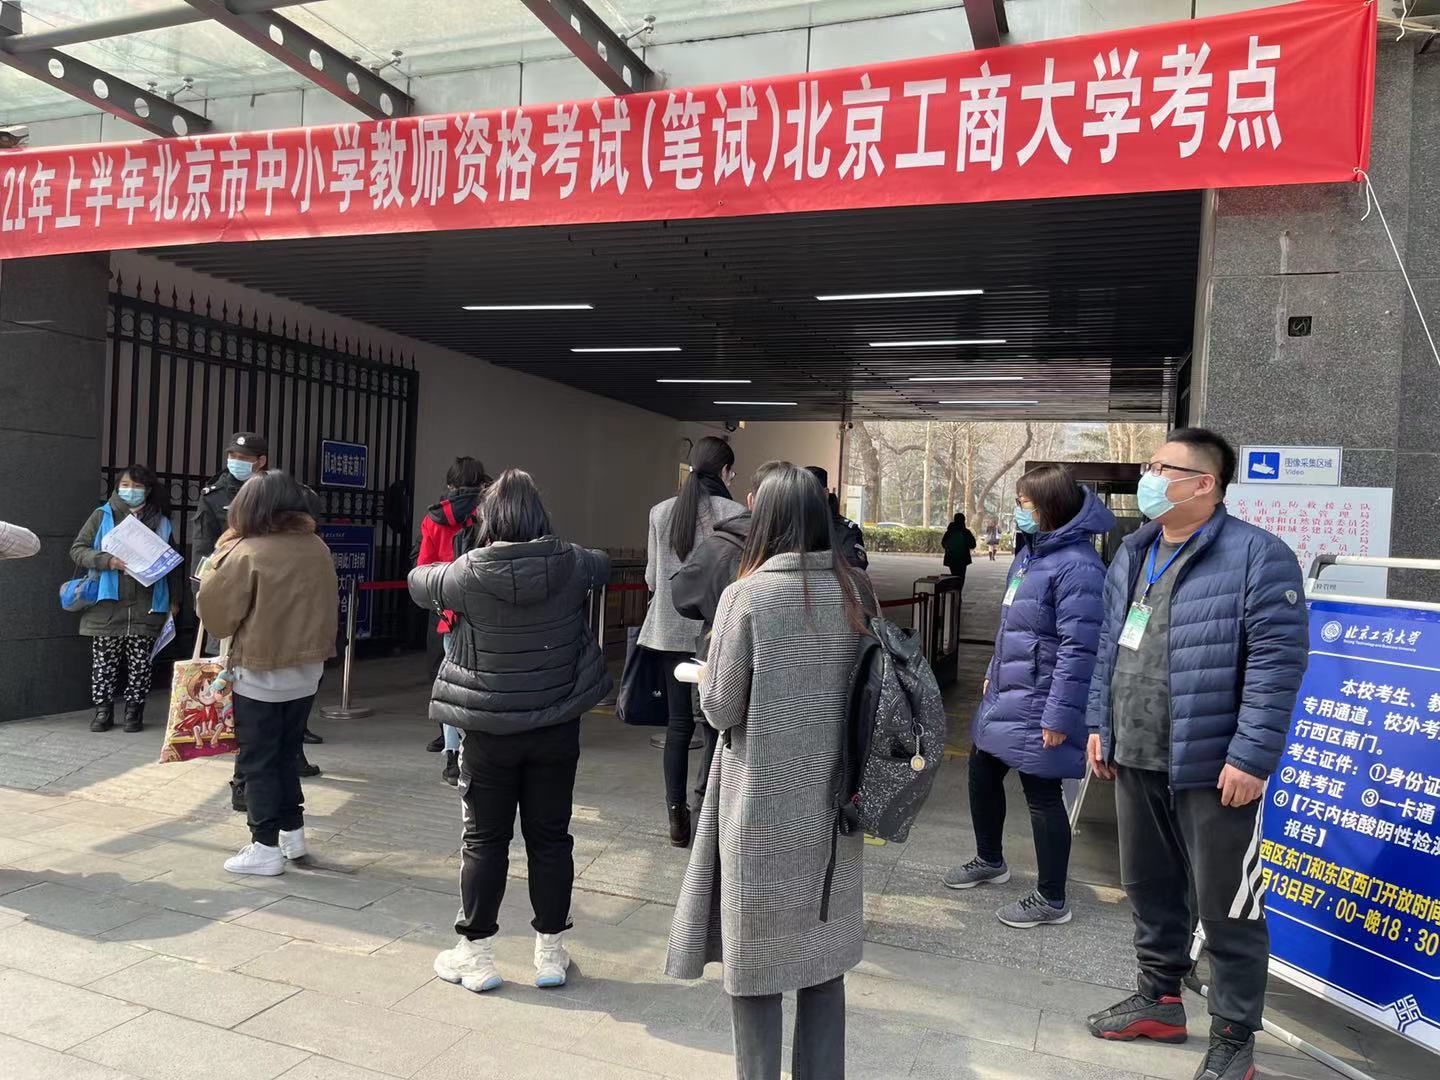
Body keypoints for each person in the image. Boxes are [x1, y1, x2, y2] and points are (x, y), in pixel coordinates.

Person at [1083, 428, 1307, 1080]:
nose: (1148, 479)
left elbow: (1277, 665)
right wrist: (1102, 724)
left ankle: (1234, 1038)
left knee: (1227, 906)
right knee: (1150, 887)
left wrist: (1252, 756)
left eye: (1162, 468)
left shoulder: (1258, 556)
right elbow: (1110, 646)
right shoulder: (1135, 550)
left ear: (1204, 483)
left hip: (1214, 764)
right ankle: (1159, 1000)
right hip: (1136, 752)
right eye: (1149, 466)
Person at [667, 465, 870, 1080]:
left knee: (754, 957)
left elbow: (723, 707)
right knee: (822, 956)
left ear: (766, 521)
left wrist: (708, 676)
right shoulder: (855, 590)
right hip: (835, 804)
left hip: (760, 802)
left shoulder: (747, 596)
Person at [410, 469, 611, 993]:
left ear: (489, 519)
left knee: (484, 840)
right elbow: (603, 563)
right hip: (556, 727)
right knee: (551, 839)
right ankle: (550, 953)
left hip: (489, 731)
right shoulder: (572, 563)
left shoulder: (466, 573)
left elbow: (417, 581)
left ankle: (477, 956)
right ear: (541, 515)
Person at [942, 466, 1114, 929]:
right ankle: (989, 859)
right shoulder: (1030, 555)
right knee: (982, 770)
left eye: (1024, 503)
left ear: (1048, 507)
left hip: (1043, 700)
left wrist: (1058, 716)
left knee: (1042, 792)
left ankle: (1052, 898)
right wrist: (991, 673)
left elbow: (1080, 649)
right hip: (1009, 691)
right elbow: (1011, 628)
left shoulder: (1079, 566)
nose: (1018, 511)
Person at [197, 471, 338, 876]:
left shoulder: (245, 551)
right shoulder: (317, 547)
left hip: (259, 671)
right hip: (307, 670)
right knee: (287, 754)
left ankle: (264, 847)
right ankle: (293, 836)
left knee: (257, 760)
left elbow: (217, 617)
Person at [194, 432, 324, 803]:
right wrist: (203, 592)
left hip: (272, 641)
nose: (236, 461)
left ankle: (257, 790)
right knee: (260, 727)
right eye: (232, 455)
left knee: (266, 731)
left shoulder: (268, 542)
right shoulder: (219, 505)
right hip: (258, 636)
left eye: (244, 456)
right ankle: (250, 785)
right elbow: (203, 551)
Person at [639, 436, 745, 847]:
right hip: (714, 631)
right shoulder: (735, 514)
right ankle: (706, 812)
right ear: (724, 472)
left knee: (678, 724)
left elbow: (652, 578)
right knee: (715, 721)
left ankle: (676, 816)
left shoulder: (660, 512)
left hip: (668, 629)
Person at [670, 459, 789, 807]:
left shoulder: (722, 544)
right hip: (785, 682)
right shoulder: (817, 554)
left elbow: (682, 597)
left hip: (724, 666)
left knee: (716, 759)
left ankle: (706, 822)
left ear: (752, 500)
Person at [70, 465, 181, 734]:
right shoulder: (102, 515)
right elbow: (78, 550)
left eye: (138, 486)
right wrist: (107, 560)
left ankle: (134, 712)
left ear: (148, 490)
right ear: (117, 488)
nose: (131, 490)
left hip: (147, 605)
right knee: (104, 663)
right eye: (126, 485)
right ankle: (103, 711)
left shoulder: (162, 523)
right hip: (106, 604)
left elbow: (174, 567)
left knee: (141, 664)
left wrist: (175, 601)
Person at [415, 455, 491, 782]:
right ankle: (478, 751)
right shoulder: (489, 515)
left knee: (451, 687)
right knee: (483, 685)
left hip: (449, 614)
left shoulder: (433, 519)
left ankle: (451, 757)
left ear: (450, 485)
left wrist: (441, 602)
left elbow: (423, 567)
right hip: (484, 613)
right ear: (482, 483)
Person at [805, 465, 867, 570]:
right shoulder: (790, 526)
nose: (804, 499)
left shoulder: (847, 532)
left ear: (825, 494)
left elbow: (854, 569)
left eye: (809, 493)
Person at [940, 511, 977, 587]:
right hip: (962, 559)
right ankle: (958, 592)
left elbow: (943, 544)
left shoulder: (949, 531)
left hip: (951, 558)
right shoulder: (965, 532)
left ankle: (954, 591)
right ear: (963, 520)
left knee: (954, 576)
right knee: (960, 577)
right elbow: (973, 545)